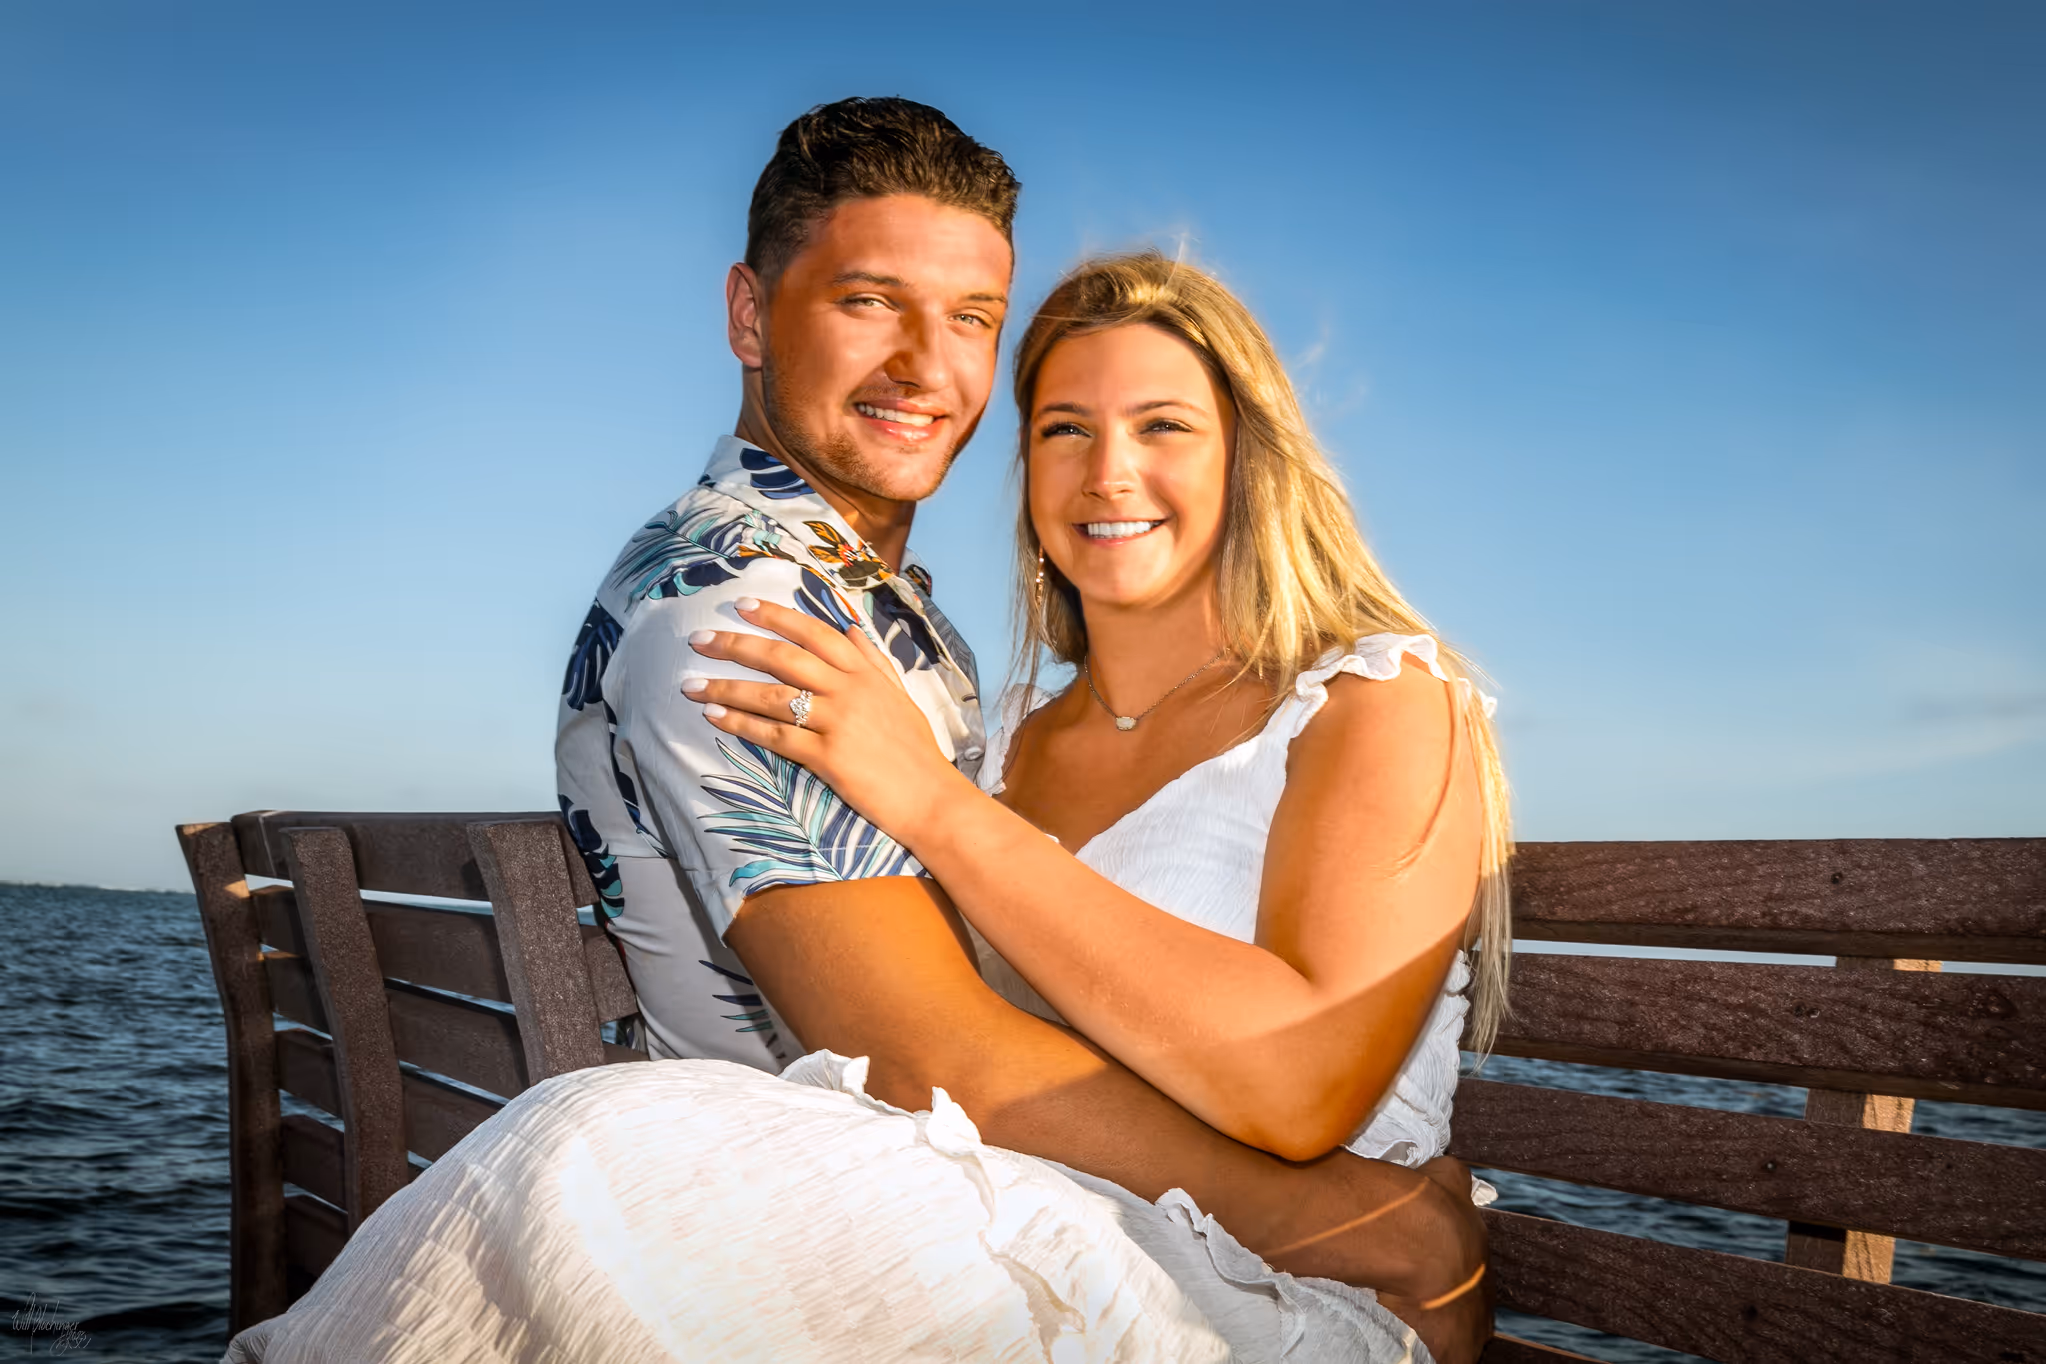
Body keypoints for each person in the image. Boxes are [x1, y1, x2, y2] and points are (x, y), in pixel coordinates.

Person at [223, 100, 1493, 1364]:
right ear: (749, 316)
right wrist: (1365, 1224)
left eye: (972, 320)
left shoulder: (892, 629)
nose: (927, 368)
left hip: (977, 1227)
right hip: (837, 1237)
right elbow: (926, 1047)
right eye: (870, 302)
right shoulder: (747, 612)